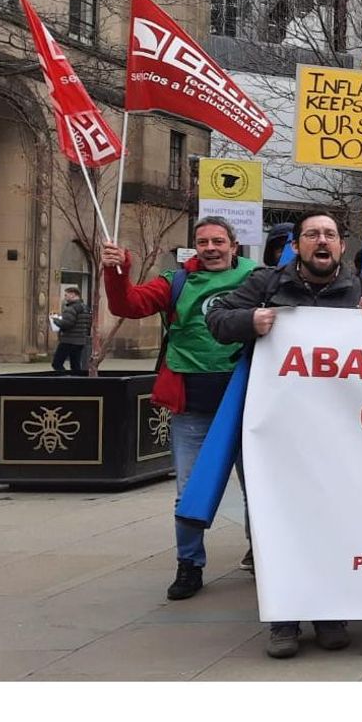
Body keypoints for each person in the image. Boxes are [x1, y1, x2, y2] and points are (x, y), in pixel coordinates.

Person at [206, 209, 362, 659]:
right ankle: (284, 619)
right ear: (296, 245)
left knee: (333, 522)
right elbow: (217, 319)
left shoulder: (361, 291)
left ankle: (329, 614)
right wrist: (250, 320)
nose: (321, 241)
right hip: (277, 430)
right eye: (312, 234)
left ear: (341, 246)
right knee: (279, 523)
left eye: (329, 234)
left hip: (339, 434)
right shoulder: (266, 283)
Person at [101, 217, 259, 599]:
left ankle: (263, 554)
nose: (211, 248)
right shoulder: (176, 282)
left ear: (233, 244)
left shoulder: (258, 279)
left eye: (218, 241)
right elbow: (127, 304)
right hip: (192, 408)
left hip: (247, 404)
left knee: (258, 489)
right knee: (188, 491)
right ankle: (189, 565)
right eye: (203, 242)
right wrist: (117, 270)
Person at [50, 286, 91, 375]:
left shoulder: (71, 308)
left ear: (73, 295)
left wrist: (55, 320)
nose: (65, 297)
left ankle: (65, 379)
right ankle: (76, 381)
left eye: (66, 295)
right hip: (80, 341)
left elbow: (67, 324)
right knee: (76, 366)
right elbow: (88, 324)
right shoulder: (85, 308)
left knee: (57, 364)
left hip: (68, 340)